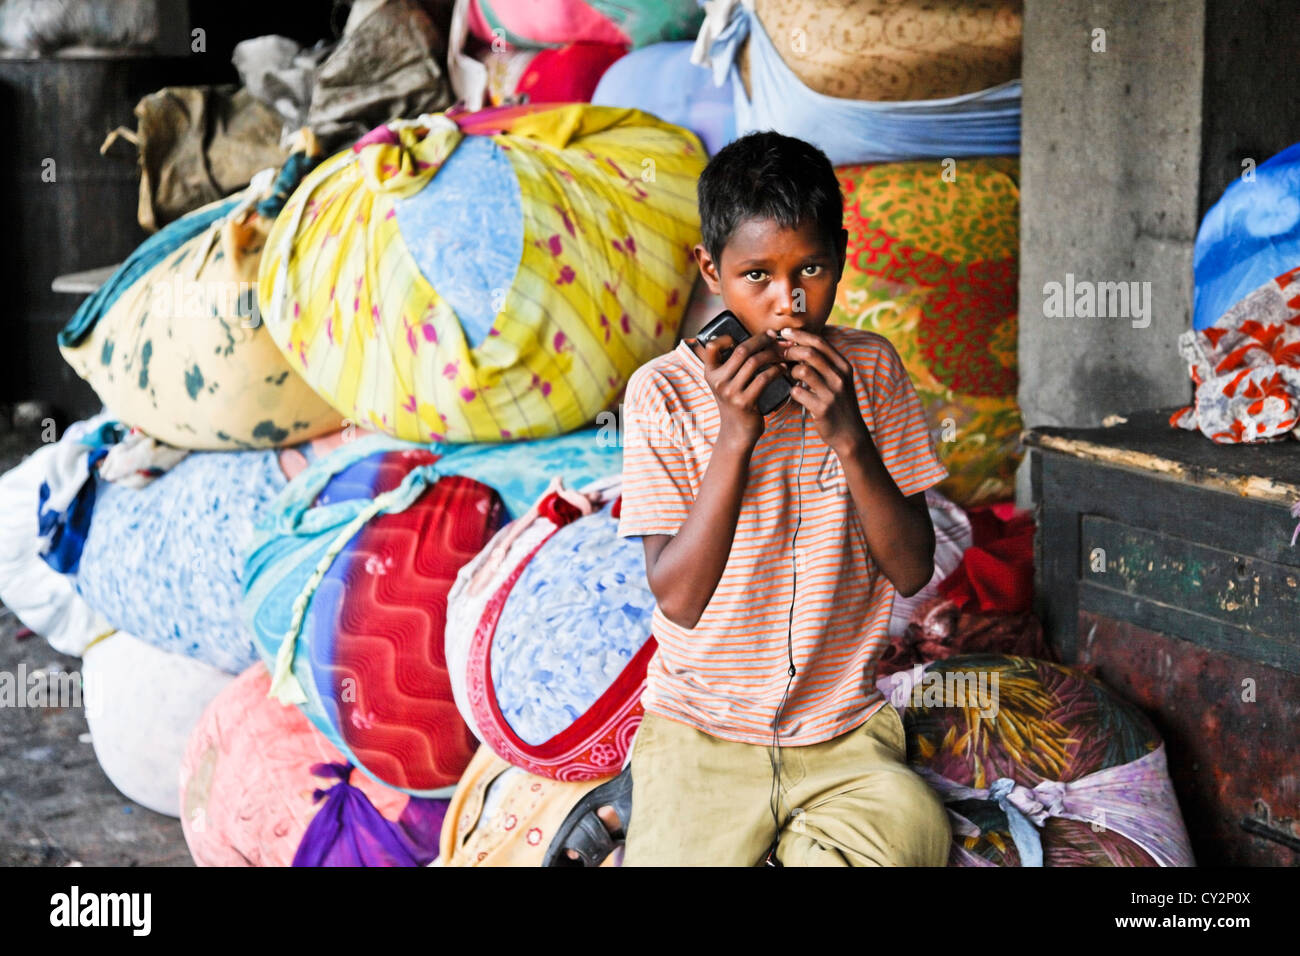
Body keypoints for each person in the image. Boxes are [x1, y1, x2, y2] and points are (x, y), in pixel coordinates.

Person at [611, 129, 953, 867]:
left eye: (813, 269)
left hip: (841, 736)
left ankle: (798, 836)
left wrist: (850, 437)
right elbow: (678, 598)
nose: (789, 303)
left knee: (917, 831)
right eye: (756, 276)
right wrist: (736, 435)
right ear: (711, 270)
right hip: (702, 732)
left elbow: (912, 570)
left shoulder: (873, 370)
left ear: (843, 253)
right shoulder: (663, 394)